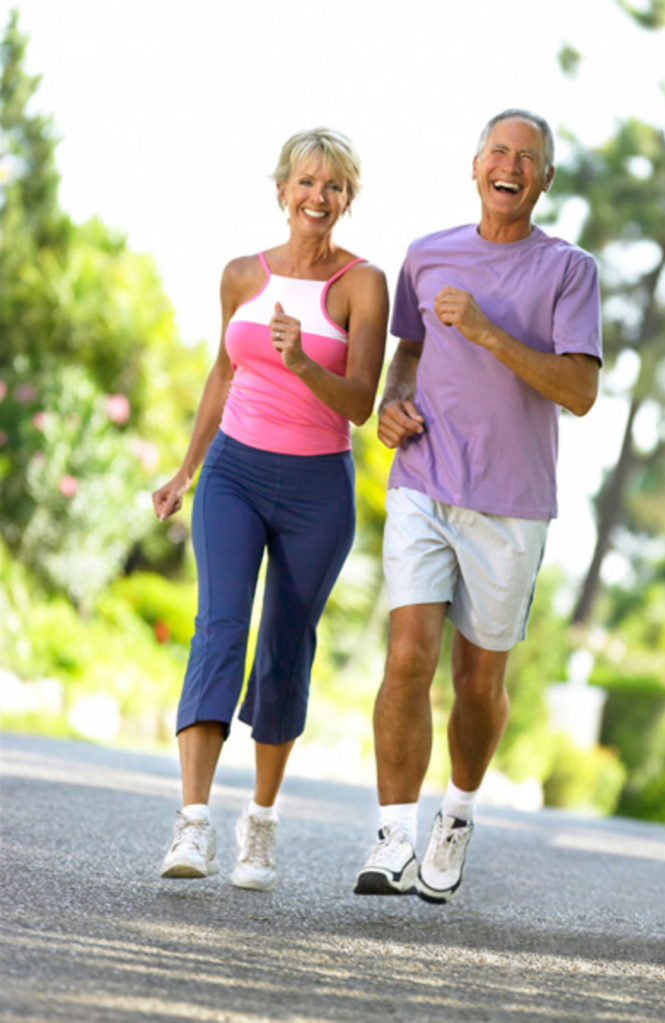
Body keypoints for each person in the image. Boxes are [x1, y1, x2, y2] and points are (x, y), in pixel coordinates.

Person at [353, 109, 602, 904]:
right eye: (498, 150)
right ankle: (393, 834)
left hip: (512, 502)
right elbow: (411, 352)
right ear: (474, 166)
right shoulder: (426, 256)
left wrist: (492, 334)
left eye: (528, 157)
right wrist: (393, 402)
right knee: (407, 654)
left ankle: (455, 814)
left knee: (479, 680)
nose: (511, 164)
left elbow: (582, 391)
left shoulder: (570, 270)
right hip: (424, 479)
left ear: (545, 180)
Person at [154, 128, 388, 890]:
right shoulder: (239, 275)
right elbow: (221, 374)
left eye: (334, 187)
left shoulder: (362, 285)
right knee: (220, 627)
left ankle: (259, 823)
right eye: (306, 182)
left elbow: (360, 404)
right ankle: (193, 824)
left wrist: (298, 361)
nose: (318, 197)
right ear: (282, 188)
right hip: (233, 474)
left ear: (348, 199)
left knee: (285, 647)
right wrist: (187, 470)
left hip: (317, 489)